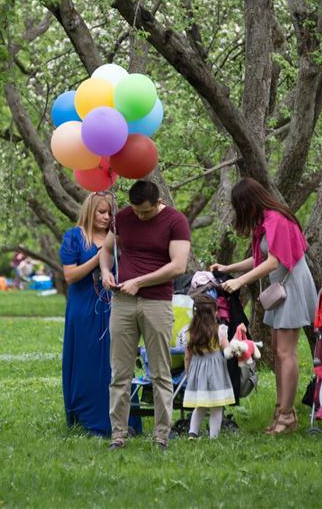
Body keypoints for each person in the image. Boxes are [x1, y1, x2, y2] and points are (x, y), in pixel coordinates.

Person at [211, 178, 317, 434]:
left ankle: (288, 416)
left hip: (291, 287)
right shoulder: (266, 222)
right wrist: (229, 268)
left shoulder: (276, 220)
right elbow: (259, 258)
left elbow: (273, 261)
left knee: (285, 353)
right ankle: (281, 410)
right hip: (280, 288)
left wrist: (238, 282)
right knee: (280, 352)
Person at [100, 180, 191, 451]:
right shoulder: (123, 218)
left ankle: (162, 434)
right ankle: (118, 434)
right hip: (123, 302)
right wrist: (105, 271)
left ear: (158, 202)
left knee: (161, 372)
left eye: (146, 213)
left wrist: (140, 282)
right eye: (137, 211)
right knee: (120, 371)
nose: (140, 216)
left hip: (156, 303)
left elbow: (178, 266)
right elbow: (106, 250)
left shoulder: (176, 221)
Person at [60, 192, 141, 437]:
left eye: (109, 213)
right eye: (101, 212)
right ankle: (88, 419)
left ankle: (123, 420)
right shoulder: (74, 238)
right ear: (90, 211)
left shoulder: (118, 238)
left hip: (114, 307)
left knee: (116, 363)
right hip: (83, 309)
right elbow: (70, 276)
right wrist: (98, 259)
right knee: (86, 362)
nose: (106, 217)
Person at [183, 294, 234, 439]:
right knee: (216, 406)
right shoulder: (220, 331)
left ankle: (192, 434)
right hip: (216, 372)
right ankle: (213, 437)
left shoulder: (190, 332)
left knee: (200, 405)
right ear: (215, 312)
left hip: (197, 371)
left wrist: (188, 372)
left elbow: (188, 356)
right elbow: (227, 349)